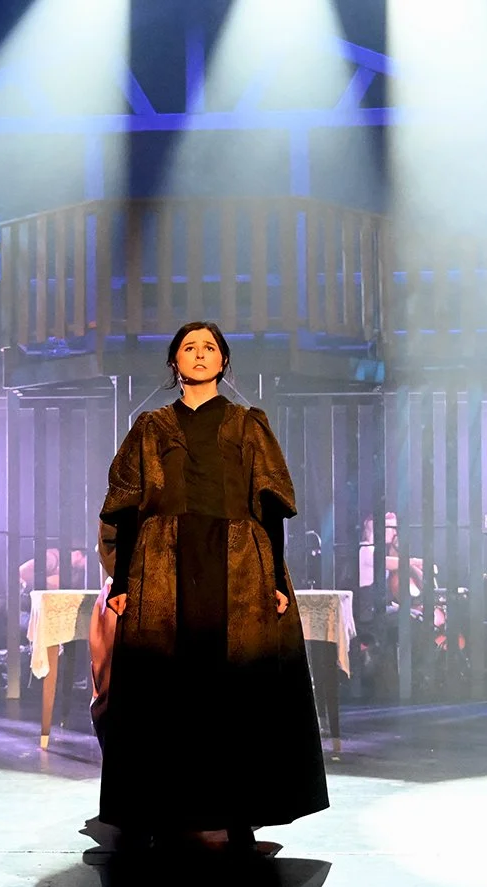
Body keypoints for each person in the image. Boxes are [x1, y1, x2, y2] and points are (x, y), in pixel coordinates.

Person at [97, 321, 329, 850]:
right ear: (174, 362)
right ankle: (158, 810)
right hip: (162, 567)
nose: (199, 355)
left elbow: (272, 507)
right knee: (164, 693)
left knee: (236, 693)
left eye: (209, 348)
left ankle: (240, 810)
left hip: (238, 568)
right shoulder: (149, 428)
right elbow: (127, 510)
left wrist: (274, 579)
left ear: (223, 362)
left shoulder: (249, 424)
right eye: (188, 348)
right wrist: (121, 580)